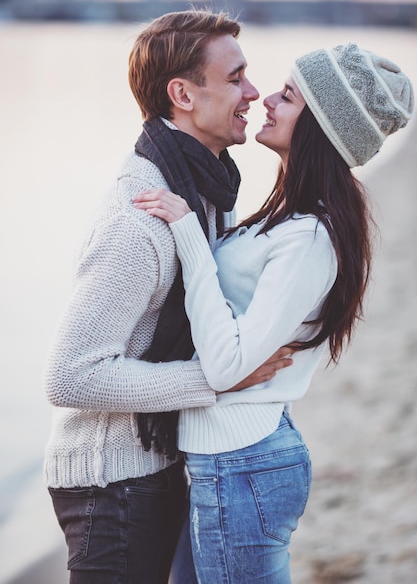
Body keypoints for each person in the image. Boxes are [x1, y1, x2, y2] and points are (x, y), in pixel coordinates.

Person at [133, 42, 414, 583]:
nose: (266, 100)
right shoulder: (286, 217)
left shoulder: (310, 237)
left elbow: (224, 366)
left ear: (322, 128)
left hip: (243, 466)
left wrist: (189, 235)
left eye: (288, 97)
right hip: (229, 462)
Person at [42, 9, 293, 584]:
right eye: (235, 78)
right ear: (182, 93)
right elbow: (69, 377)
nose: (252, 92)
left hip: (161, 461)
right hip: (110, 483)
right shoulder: (139, 218)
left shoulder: (204, 187)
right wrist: (218, 377)